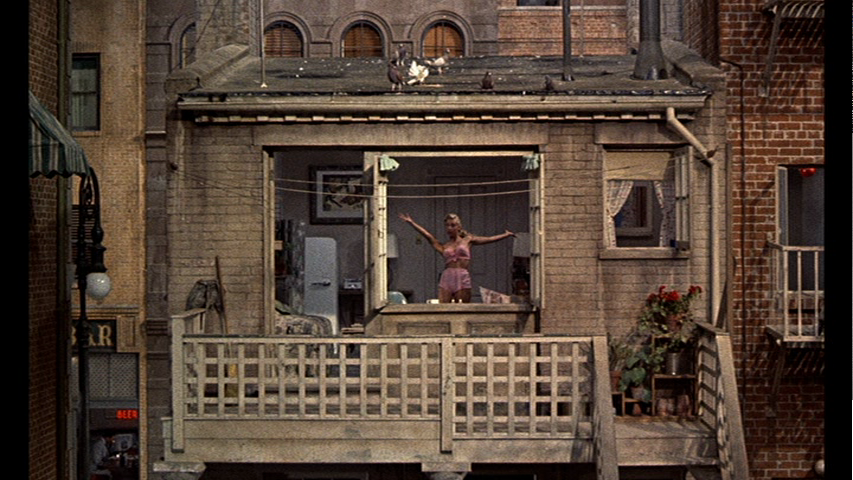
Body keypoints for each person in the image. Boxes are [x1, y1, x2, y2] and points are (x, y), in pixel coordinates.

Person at [399, 213, 515, 303]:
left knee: (463, 307)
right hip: (447, 277)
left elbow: (488, 239)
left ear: (459, 227)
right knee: (444, 308)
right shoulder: (445, 246)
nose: (449, 228)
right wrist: (411, 222)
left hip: (462, 276)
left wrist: (505, 235)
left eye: (453, 225)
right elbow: (429, 237)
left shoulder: (468, 240)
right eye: (447, 226)